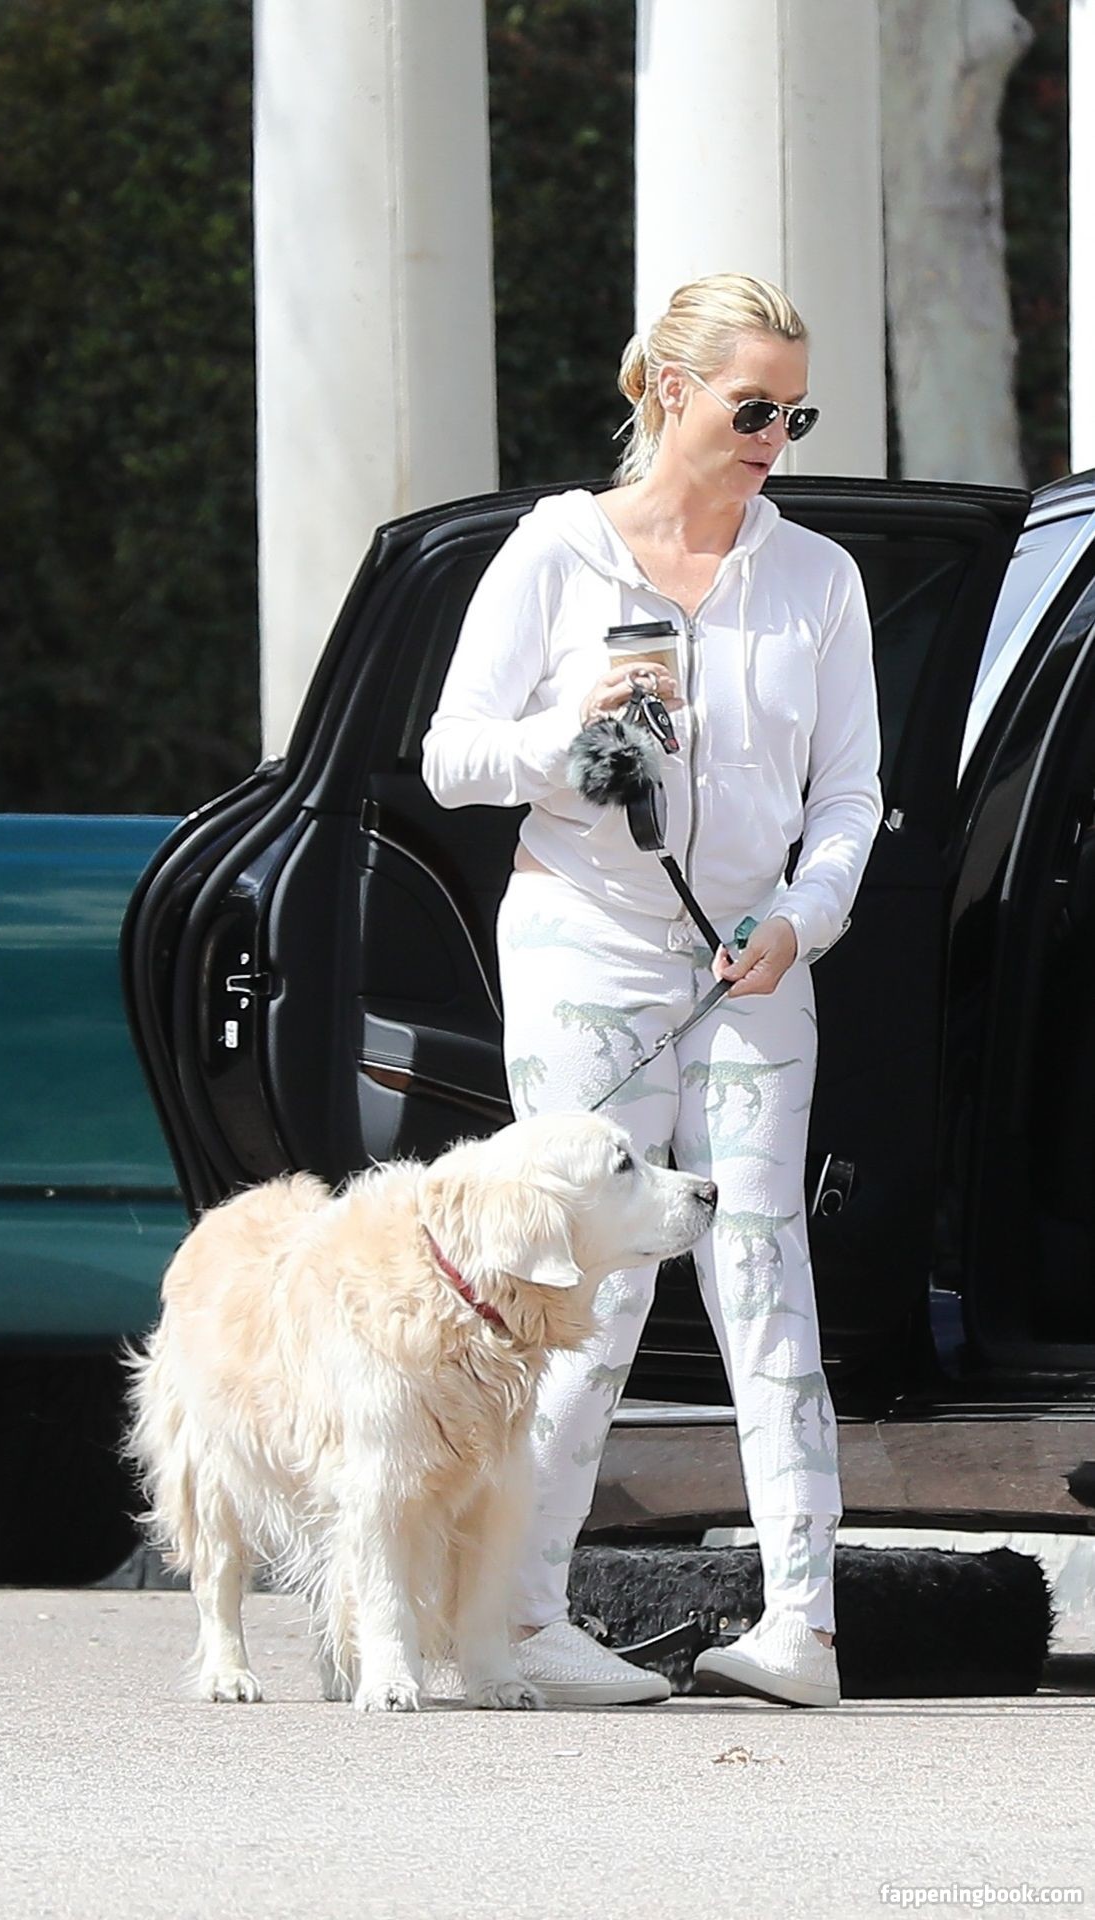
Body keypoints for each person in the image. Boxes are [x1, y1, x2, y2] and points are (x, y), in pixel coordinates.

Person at [420, 273, 883, 1708]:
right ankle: (522, 1622)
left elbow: (852, 792)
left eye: (795, 414)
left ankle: (803, 1627)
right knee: (585, 1282)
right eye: (754, 409)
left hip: (754, 958)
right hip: (587, 946)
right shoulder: (560, 553)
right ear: (672, 392)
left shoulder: (817, 578)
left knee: (764, 1266)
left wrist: (803, 918)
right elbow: (450, 757)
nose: (775, 440)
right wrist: (572, 738)